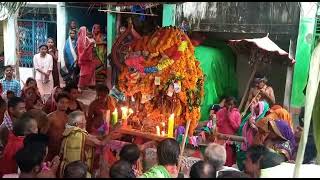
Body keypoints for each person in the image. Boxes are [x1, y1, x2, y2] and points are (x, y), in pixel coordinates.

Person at [59, 110, 108, 177]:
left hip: (68, 169)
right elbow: (101, 143)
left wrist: (106, 135)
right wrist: (113, 132)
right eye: (84, 119)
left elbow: (94, 137)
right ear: (77, 123)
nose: (85, 121)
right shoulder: (80, 135)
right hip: (77, 172)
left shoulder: (70, 131)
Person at [0, 112, 38, 177]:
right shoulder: (24, 145)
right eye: (35, 128)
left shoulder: (12, 138)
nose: (37, 130)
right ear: (26, 132)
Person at [236, 100, 269, 170]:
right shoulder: (251, 116)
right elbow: (241, 126)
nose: (255, 108)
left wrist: (252, 125)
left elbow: (260, 134)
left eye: (258, 107)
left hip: (253, 147)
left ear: (262, 110)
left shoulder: (263, 120)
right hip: (244, 144)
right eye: (256, 106)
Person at [216, 97, 241, 167]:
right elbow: (217, 123)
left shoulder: (237, 114)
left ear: (234, 105)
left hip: (230, 141)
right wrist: (225, 117)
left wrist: (230, 118)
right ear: (225, 104)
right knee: (218, 159)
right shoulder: (220, 111)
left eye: (231, 105)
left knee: (228, 160)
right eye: (228, 104)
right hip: (219, 140)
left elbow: (237, 128)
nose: (229, 106)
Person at [46, 92, 70, 161]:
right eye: (62, 102)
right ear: (56, 103)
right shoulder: (50, 117)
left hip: (64, 151)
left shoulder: (69, 118)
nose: (64, 105)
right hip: (50, 151)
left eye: (67, 102)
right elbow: (42, 134)